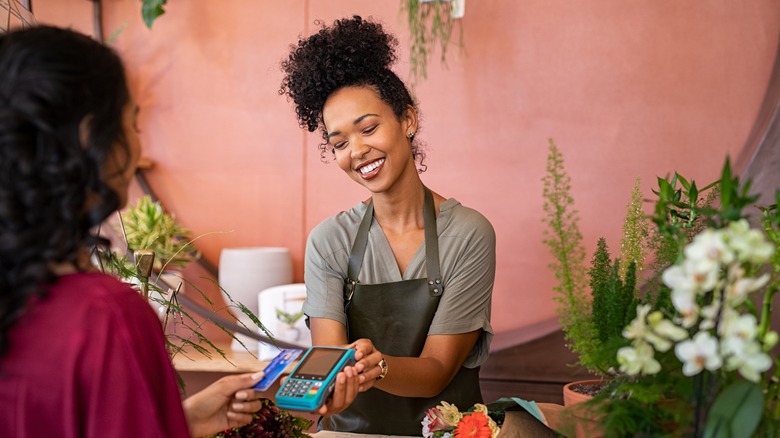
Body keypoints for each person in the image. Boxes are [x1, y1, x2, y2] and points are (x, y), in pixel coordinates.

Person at [0, 25, 265, 437]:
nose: (138, 147)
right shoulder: (107, 317)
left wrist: (181, 420)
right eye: (132, 124)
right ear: (91, 138)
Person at [280, 15, 496, 435]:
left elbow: (437, 369)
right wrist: (328, 385)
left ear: (408, 120)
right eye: (339, 142)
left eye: (369, 128)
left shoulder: (469, 233)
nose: (357, 151)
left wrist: (374, 364)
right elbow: (329, 359)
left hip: (448, 431)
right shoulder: (329, 241)